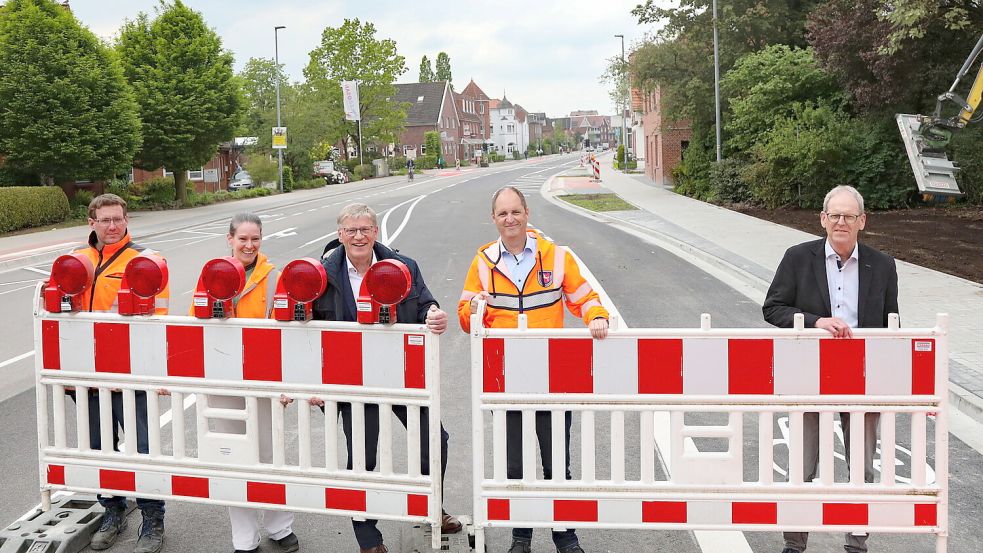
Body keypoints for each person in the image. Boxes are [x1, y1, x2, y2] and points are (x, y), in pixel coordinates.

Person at [457, 186, 610, 553]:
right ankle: (520, 536)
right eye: (502, 214)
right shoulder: (483, 261)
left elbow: (583, 297)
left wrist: (597, 316)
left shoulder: (555, 257)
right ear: (493, 219)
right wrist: (475, 308)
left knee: (558, 460)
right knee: (515, 464)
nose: (510, 219)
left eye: (515, 212)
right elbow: (465, 319)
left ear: (527, 213)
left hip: (550, 375)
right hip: (507, 377)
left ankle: (564, 535)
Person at [310, 203, 462, 553]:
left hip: (402, 375)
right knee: (362, 458)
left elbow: (425, 304)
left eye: (365, 229)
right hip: (352, 380)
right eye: (351, 230)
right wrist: (312, 384)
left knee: (434, 439)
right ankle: (368, 538)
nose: (359, 236)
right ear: (340, 235)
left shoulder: (403, 267)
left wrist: (434, 313)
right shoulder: (322, 273)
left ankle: (431, 508)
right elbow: (304, 327)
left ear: (376, 232)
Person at [762, 185, 899, 553]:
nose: (841, 222)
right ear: (823, 219)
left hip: (862, 377)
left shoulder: (883, 265)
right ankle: (795, 543)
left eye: (849, 216)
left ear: (862, 222)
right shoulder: (797, 257)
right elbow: (773, 308)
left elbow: (891, 325)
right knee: (803, 464)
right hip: (809, 372)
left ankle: (857, 543)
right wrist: (815, 321)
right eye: (834, 215)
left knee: (862, 468)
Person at [190, 213, 300, 553]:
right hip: (223, 379)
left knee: (270, 455)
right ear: (230, 239)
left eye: (255, 239)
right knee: (233, 456)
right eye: (243, 239)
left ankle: (280, 527)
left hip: (264, 377)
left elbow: (289, 330)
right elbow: (197, 321)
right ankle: (244, 538)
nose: (249, 245)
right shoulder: (211, 275)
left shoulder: (275, 277)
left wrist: (287, 382)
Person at [71, 193, 170, 553]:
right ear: (91, 222)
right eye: (105, 220)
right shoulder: (77, 261)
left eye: (118, 219)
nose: (112, 227)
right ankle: (112, 510)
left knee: (144, 449)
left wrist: (155, 374)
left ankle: (152, 518)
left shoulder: (144, 261)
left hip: (133, 375)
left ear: (127, 220)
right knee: (100, 448)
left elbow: (158, 320)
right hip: (90, 376)